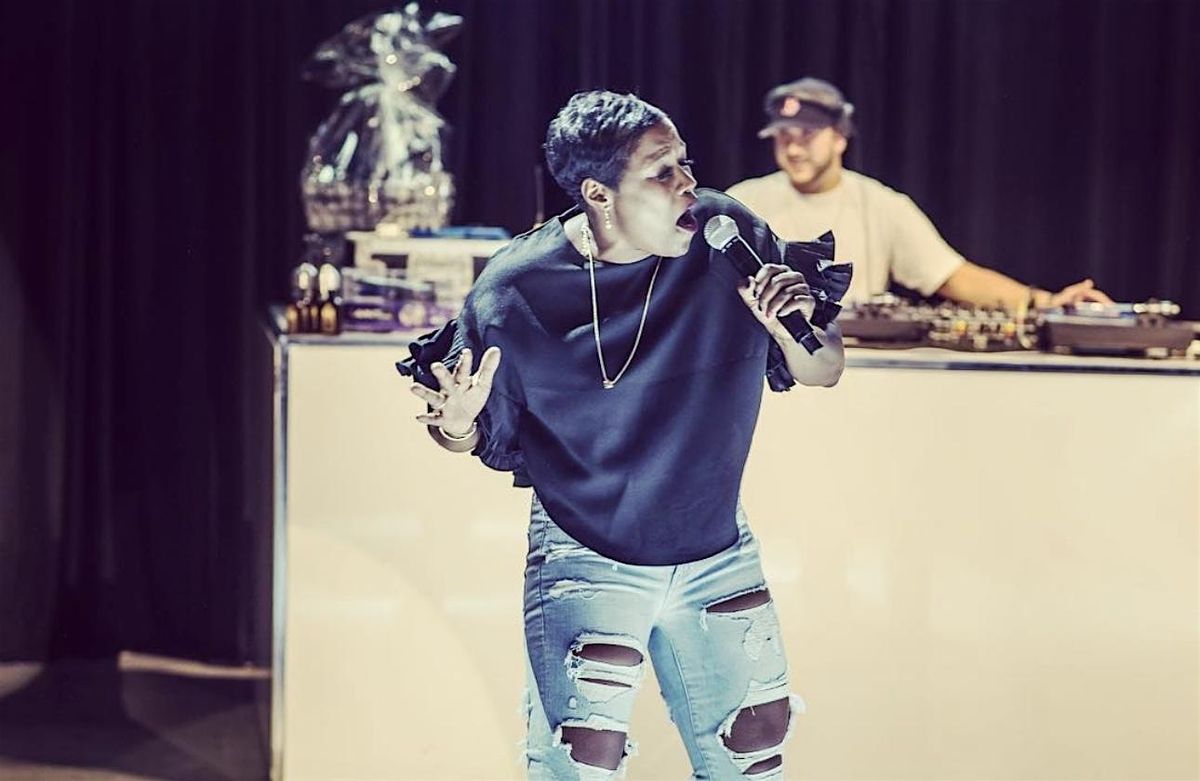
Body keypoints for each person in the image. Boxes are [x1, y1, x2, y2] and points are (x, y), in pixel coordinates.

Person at [397, 90, 849, 780]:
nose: (687, 183)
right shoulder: (517, 290)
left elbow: (823, 368)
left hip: (714, 545)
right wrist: (457, 426)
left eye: (685, 163)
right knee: (580, 763)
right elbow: (478, 434)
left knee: (754, 755)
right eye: (662, 171)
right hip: (586, 549)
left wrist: (794, 328)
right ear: (598, 194)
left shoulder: (726, 236)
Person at [727, 77, 1113, 310]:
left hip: (852, 370)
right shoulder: (744, 202)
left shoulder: (881, 205)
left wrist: (1047, 303)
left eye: (807, 136)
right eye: (783, 137)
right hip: (762, 369)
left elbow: (952, 276)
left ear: (840, 137)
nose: (793, 149)